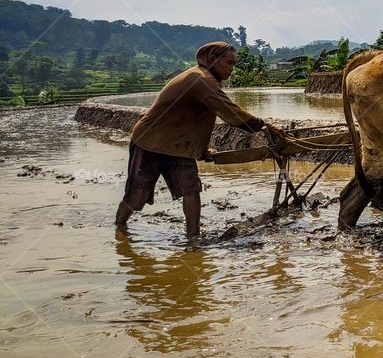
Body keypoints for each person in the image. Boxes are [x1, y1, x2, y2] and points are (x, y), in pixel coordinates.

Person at [115, 41, 285, 239]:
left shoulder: (205, 80)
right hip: (150, 142)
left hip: (178, 146)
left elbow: (201, 123)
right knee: (137, 195)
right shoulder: (200, 79)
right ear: (213, 60)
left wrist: (202, 150)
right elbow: (229, 112)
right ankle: (119, 228)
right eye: (229, 63)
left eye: (234, 64)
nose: (232, 69)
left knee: (191, 189)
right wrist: (262, 125)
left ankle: (193, 240)